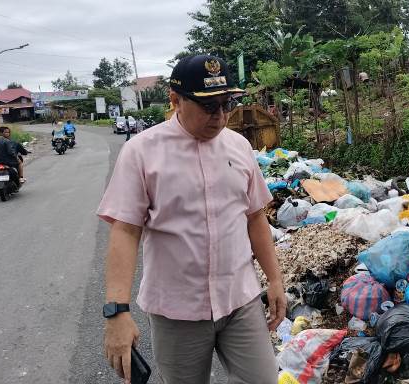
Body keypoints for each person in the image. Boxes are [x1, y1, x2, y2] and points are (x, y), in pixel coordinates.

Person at [98, 55, 285, 384]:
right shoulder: (142, 152)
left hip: (239, 299)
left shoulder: (239, 146)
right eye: (208, 106)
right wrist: (117, 311)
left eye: (227, 104)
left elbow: (255, 217)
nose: (221, 116)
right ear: (175, 101)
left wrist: (275, 279)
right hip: (176, 310)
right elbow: (125, 231)